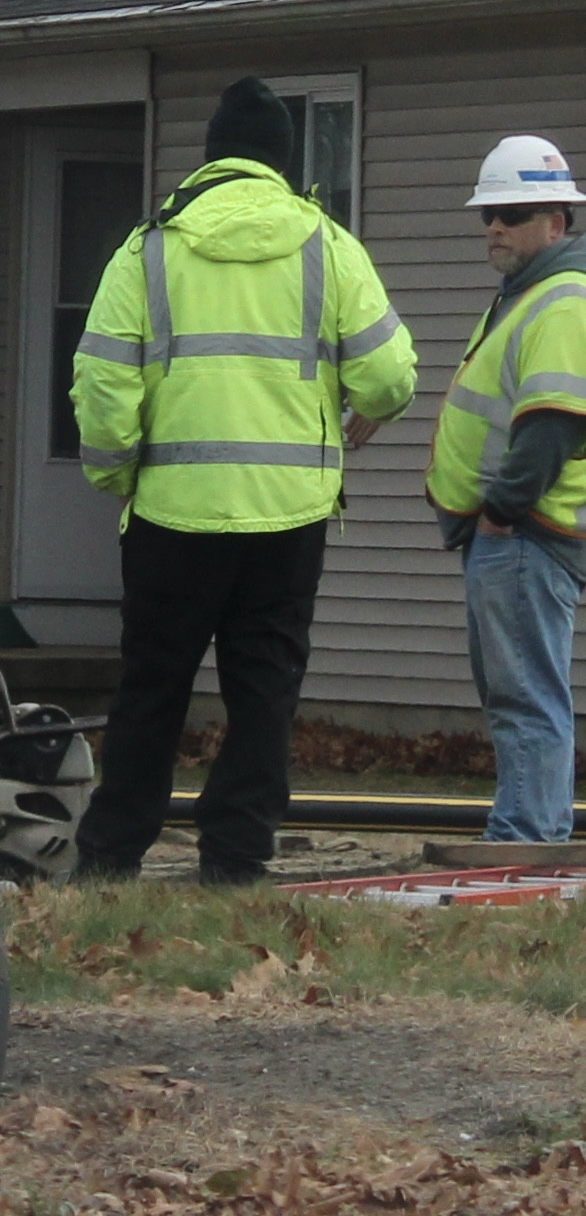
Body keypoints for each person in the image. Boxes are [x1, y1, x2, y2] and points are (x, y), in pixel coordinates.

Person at [71, 78, 418, 883]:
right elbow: (391, 374)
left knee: (152, 685)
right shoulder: (327, 244)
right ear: (283, 162)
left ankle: (112, 850)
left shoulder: (148, 248)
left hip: (171, 514)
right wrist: (362, 410)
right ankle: (236, 857)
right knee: (263, 690)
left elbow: (103, 386)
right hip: (288, 518)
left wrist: (117, 473)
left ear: (212, 157)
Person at [425, 136, 586, 846]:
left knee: (524, 699)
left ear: (557, 220)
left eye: (513, 212)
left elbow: (551, 424)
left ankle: (522, 841)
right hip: (515, 533)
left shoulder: (560, 302)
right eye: (489, 212)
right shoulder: (531, 296)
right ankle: (536, 838)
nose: (494, 225)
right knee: (521, 695)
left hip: (524, 533)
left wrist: (500, 511)